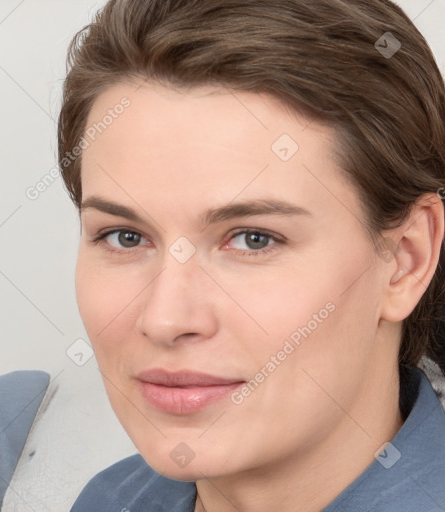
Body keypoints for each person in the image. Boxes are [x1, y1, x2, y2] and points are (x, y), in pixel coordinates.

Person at [57, 0, 445, 510]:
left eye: (253, 239)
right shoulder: (111, 500)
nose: (165, 319)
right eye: (125, 237)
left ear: (405, 260)